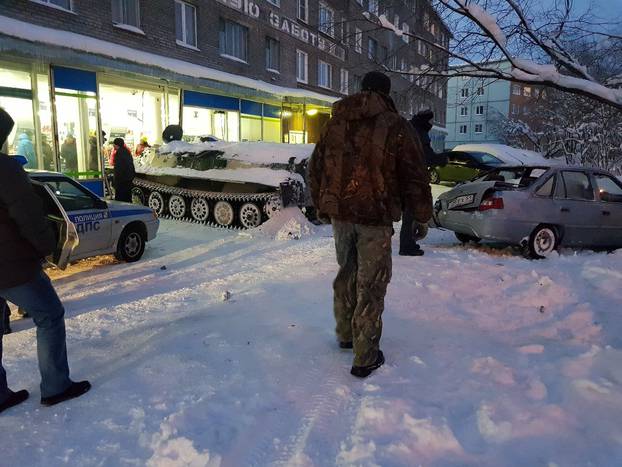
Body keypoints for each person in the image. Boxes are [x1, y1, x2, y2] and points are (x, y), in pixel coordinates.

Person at [309, 72, 432, 378]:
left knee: (347, 273)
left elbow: (315, 168)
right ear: (387, 93)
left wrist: (324, 206)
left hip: (342, 217)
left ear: (361, 89)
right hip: (374, 217)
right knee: (372, 283)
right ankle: (365, 356)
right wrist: (421, 216)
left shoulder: (335, 122)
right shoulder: (396, 126)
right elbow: (415, 177)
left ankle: (346, 334)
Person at [0, 108, 91, 413]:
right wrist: (47, 247)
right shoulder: (5, 169)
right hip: (11, 265)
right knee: (49, 315)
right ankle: (55, 386)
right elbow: (28, 215)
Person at [399, 109, 438, 256]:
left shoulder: (410, 127)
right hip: (412, 177)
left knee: (408, 211)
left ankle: (407, 242)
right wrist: (442, 159)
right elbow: (426, 155)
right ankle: (407, 245)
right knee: (411, 211)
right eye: (431, 120)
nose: (432, 123)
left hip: (405, 176)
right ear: (426, 120)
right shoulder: (419, 131)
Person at [112, 137, 136, 202]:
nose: (113, 145)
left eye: (113, 144)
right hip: (128, 179)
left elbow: (118, 168)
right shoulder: (127, 151)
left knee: (121, 199)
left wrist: (115, 180)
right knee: (128, 197)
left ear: (116, 145)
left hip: (122, 180)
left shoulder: (119, 153)